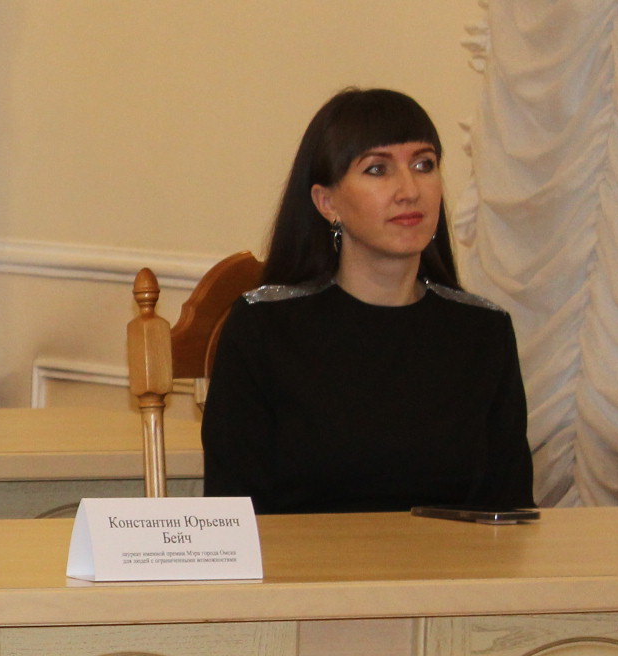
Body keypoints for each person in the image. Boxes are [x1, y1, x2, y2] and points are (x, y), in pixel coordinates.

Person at [202, 87, 532, 515]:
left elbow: (509, 509)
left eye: (424, 165)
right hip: (304, 559)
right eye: (378, 169)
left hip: (451, 559)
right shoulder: (264, 326)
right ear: (327, 202)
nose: (409, 190)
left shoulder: (483, 331)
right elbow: (233, 514)